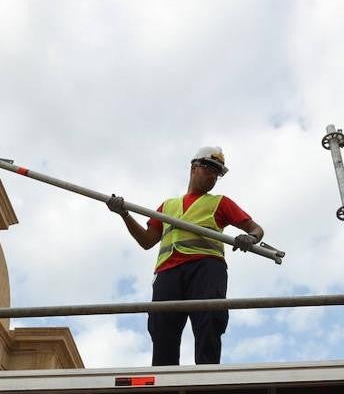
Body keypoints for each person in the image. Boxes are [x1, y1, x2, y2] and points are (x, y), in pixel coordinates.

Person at [106, 146, 264, 366]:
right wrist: (124, 214)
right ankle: (165, 382)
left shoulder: (220, 202)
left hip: (206, 268)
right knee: (162, 327)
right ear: (194, 168)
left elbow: (256, 229)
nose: (212, 176)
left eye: (217, 173)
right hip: (168, 271)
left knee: (208, 321)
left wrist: (251, 239)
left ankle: (207, 379)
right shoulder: (167, 206)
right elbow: (147, 241)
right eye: (208, 169)